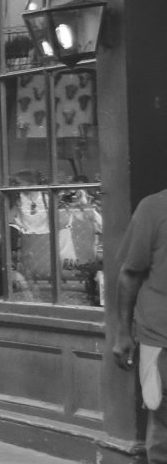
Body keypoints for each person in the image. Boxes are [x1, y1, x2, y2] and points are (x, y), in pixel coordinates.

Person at [111, 189, 167, 461]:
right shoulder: (154, 208)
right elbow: (130, 273)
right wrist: (122, 333)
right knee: (162, 421)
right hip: (161, 340)